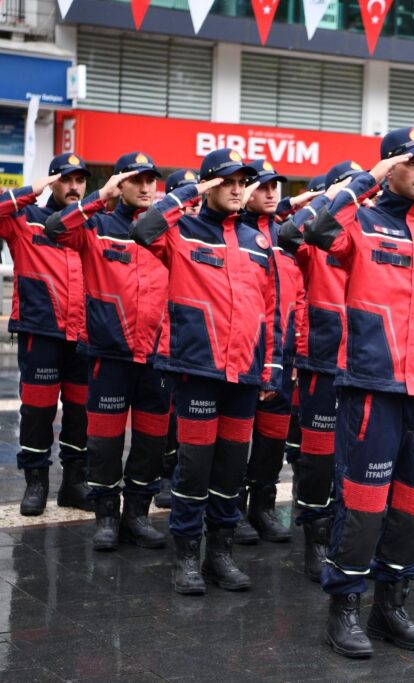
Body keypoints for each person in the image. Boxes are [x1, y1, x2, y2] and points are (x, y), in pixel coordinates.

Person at [296, 128, 414, 658]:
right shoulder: (361, 222)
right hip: (373, 384)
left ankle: (391, 606)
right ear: (389, 166)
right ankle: (344, 607)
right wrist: (365, 180)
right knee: (363, 505)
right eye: (411, 162)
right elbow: (317, 227)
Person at [132, 148, 277, 596]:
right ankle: (186, 557)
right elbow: (143, 228)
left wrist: (269, 366)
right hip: (197, 369)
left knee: (231, 471)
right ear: (212, 185)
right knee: (194, 471)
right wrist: (193, 191)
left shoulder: (259, 241)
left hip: (245, 375)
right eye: (228, 181)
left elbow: (268, 311)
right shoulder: (182, 231)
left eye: (242, 182)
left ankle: (220, 554)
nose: (237, 189)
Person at [44, 152, 170, 551]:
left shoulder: (168, 230)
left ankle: (136, 515)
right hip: (108, 355)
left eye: (152, 179)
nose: (147, 187)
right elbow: (54, 229)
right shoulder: (95, 226)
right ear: (121, 183)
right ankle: (106, 519)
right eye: (137, 180)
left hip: (156, 357)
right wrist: (101, 196)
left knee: (150, 444)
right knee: (104, 444)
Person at [0, 153, 91, 516]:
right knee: (37, 412)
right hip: (40, 332)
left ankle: (74, 484)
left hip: (85, 336)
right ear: (52, 183)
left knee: (80, 413)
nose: (74, 187)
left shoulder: (92, 225)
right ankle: (36, 483)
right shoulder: (25, 221)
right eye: (65, 179)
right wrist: (31, 190)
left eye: (80, 180)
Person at [277, 160, 361, 581]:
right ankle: (316, 534)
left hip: (363, 364)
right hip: (321, 363)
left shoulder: (366, 235)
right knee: (317, 459)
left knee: (356, 458)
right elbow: (286, 233)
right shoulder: (313, 238)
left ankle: (348, 533)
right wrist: (329, 197)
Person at [234, 159, 319, 545]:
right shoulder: (234, 233)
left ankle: (263, 507)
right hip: (243, 354)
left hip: (282, 358)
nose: (271, 193)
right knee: (235, 440)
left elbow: (299, 301)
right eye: (262, 187)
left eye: (275, 187)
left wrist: (298, 355)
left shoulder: (287, 240)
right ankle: (231, 510)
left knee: (271, 439)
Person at [153, 169, 199, 510]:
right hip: (163, 343)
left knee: (185, 421)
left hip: (191, 343)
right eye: (187, 197)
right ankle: (165, 475)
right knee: (166, 418)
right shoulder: (166, 234)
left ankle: (177, 473)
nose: (193, 205)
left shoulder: (200, 235)